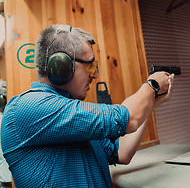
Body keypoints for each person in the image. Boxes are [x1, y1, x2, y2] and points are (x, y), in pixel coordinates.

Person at [1, 24, 174, 188]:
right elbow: (126, 117)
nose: (96, 74)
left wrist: (151, 101)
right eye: (91, 65)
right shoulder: (26, 107)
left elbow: (122, 152)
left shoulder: (72, 117)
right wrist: (152, 85)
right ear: (61, 66)